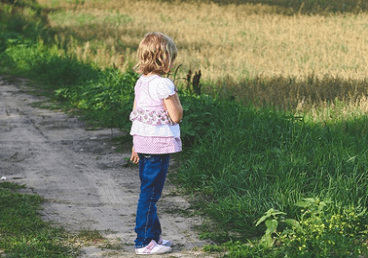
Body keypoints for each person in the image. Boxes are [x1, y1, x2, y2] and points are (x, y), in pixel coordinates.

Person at [129, 32, 183, 255]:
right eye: (171, 57)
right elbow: (177, 115)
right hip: (158, 146)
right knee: (150, 195)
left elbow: (136, 114)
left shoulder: (141, 83)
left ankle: (154, 235)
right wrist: (175, 95)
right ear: (162, 58)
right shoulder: (163, 84)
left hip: (143, 144)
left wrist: (135, 145)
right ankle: (143, 242)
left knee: (148, 191)